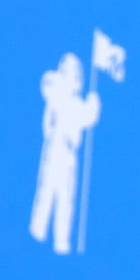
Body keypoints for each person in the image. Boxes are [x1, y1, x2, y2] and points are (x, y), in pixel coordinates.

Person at [30, 52, 101, 254]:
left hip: (69, 154)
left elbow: (87, 116)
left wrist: (93, 104)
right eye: (71, 74)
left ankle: (61, 241)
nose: (75, 79)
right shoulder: (58, 95)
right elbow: (49, 85)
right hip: (55, 149)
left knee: (65, 198)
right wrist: (91, 107)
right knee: (47, 192)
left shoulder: (74, 102)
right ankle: (38, 230)